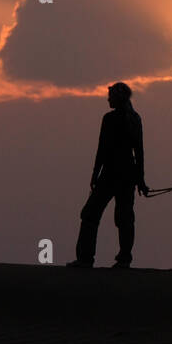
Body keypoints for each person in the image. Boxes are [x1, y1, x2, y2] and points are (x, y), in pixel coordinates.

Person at [67, 82, 149, 269]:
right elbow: (139, 152)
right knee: (125, 218)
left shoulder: (110, 119)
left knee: (90, 214)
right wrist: (141, 180)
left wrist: (95, 174)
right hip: (128, 175)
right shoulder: (135, 119)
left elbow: (102, 149)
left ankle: (85, 259)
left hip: (110, 174)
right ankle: (124, 259)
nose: (107, 99)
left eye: (110, 96)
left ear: (117, 98)